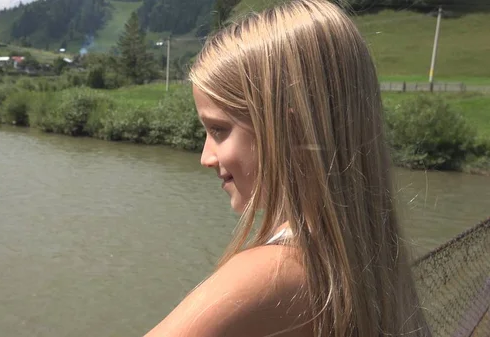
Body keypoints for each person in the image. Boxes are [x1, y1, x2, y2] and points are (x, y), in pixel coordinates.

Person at [145, 0, 431, 336]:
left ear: (290, 130)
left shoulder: (271, 274)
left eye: (219, 130)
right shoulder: (374, 258)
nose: (206, 157)